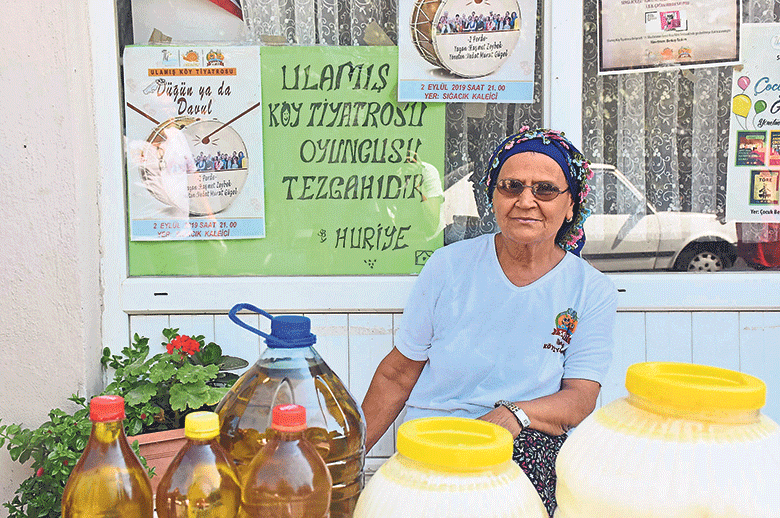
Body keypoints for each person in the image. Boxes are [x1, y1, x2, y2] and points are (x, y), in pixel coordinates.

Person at [360, 127, 617, 516]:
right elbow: (397, 374)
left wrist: (515, 414)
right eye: (511, 186)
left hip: (522, 443)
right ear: (493, 197)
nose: (525, 200)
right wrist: (348, 455)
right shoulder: (448, 267)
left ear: (571, 206)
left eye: (545, 190)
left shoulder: (589, 290)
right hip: (435, 440)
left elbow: (580, 397)